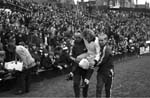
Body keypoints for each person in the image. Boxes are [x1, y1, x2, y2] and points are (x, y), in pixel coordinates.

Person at [96, 33, 114, 98]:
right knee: (98, 88)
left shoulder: (107, 49)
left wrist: (93, 64)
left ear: (106, 40)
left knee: (107, 90)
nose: (100, 42)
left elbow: (102, 60)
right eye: (99, 40)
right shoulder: (99, 48)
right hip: (101, 72)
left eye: (102, 40)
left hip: (108, 72)